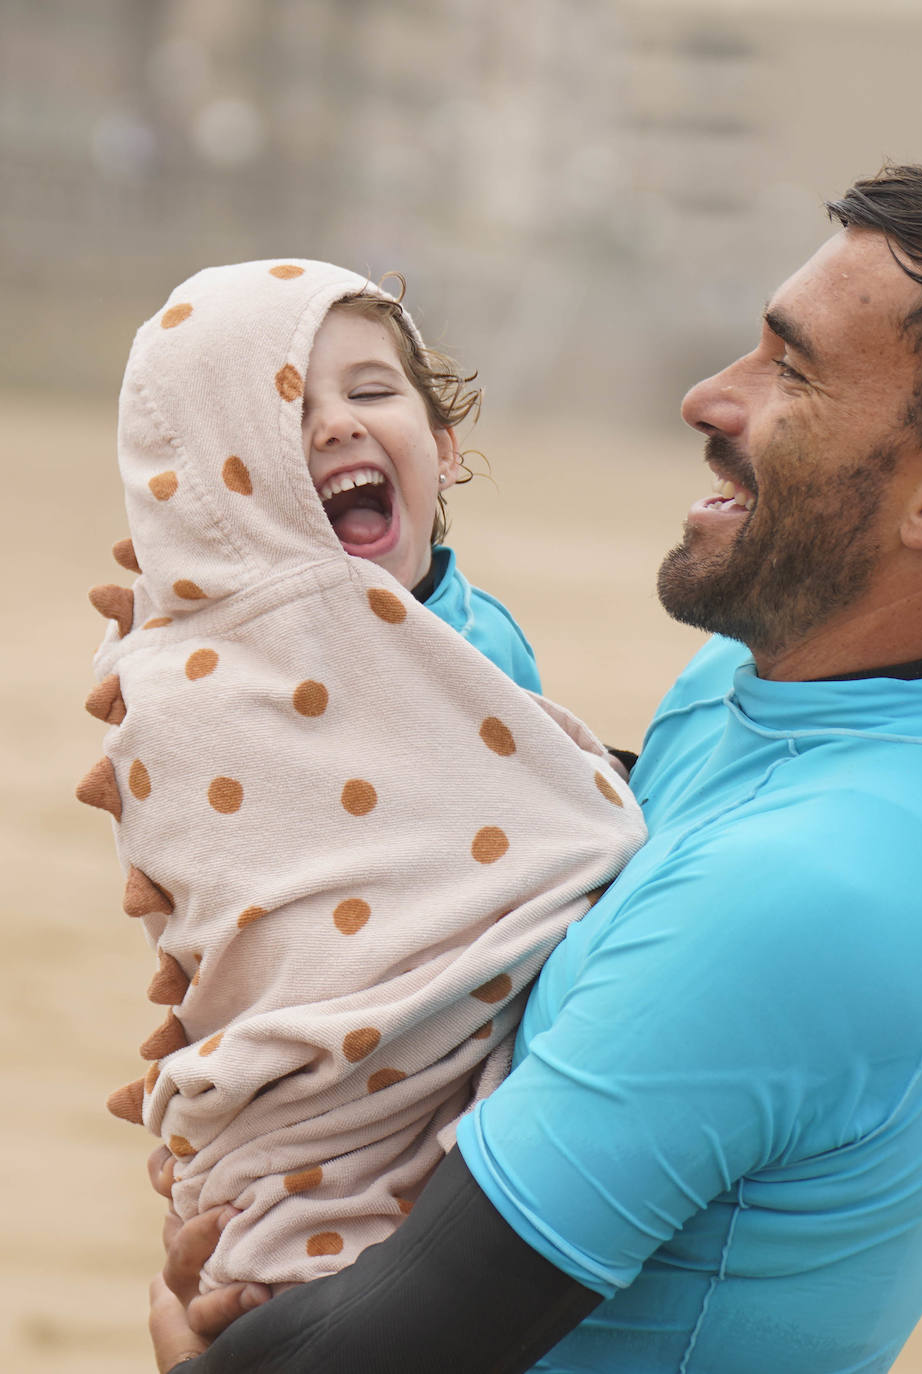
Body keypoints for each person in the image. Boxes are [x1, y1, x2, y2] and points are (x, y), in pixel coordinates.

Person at [149, 166, 922, 1374]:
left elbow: (378, 1354)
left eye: (793, 368)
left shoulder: (824, 890)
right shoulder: (768, 692)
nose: (706, 396)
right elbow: (544, 832)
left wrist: (189, 1342)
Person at [77, 258, 645, 1295]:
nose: (336, 423)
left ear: (444, 450)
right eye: (286, 413)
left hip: (484, 1067)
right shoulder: (197, 682)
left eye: (372, 392)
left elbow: (544, 833)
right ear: (217, 475)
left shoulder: (484, 648)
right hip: (311, 1095)